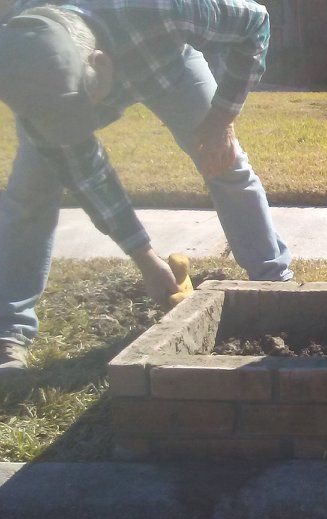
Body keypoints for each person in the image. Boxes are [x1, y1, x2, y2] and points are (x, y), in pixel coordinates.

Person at [0, 0, 294, 375]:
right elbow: (88, 172)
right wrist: (144, 256)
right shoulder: (28, 63)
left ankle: (273, 278)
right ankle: (9, 331)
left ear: (100, 63)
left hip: (167, 66)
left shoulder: (162, 9)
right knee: (29, 195)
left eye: (86, 110)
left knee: (225, 163)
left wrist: (221, 118)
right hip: (72, 82)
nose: (88, 128)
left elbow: (256, 22)